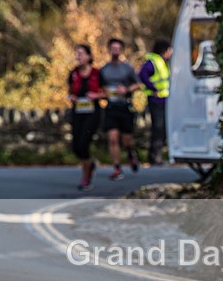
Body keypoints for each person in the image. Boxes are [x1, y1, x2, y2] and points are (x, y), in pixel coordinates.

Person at [100, 38, 140, 180]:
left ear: (121, 50)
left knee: (126, 140)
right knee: (112, 138)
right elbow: (101, 87)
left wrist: (126, 89)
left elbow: (138, 84)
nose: (115, 51)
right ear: (109, 50)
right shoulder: (104, 70)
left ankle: (130, 153)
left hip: (125, 107)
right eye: (113, 48)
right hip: (111, 107)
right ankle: (117, 168)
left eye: (118, 48)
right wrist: (105, 94)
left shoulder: (127, 68)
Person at [68, 44, 103, 192]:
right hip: (77, 112)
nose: (78, 56)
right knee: (76, 147)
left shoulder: (97, 73)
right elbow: (70, 91)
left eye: (81, 54)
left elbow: (106, 92)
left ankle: (86, 178)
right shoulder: (73, 73)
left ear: (89, 56)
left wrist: (95, 95)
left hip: (93, 112)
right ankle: (90, 164)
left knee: (83, 144)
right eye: (77, 54)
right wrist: (71, 97)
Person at [138, 39, 172, 166]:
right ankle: (154, 157)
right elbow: (142, 75)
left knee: (161, 129)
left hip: (163, 99)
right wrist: (154, 88)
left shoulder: (163, 62)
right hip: (156, 99)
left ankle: (157, 155)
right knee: (158, 128)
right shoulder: (155, 62)